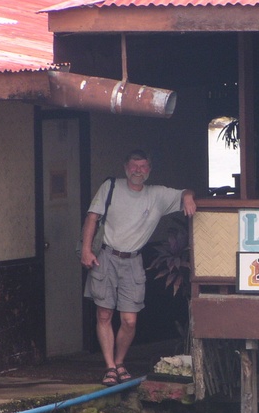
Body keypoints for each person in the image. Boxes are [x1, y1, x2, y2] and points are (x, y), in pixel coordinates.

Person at [80, 149, 196, 386]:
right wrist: (86, 249)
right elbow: (92, 217)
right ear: (126, 168)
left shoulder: (157, 195)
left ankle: (120, 362)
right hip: (106, 256)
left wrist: (188, 197)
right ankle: (110, 367)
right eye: (134, 166)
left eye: (143, 167)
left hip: (133, 260)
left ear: (149, 170)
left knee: (130, 320)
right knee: (104, 313)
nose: (138, 171)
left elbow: (187, 191)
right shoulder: (110, 187)